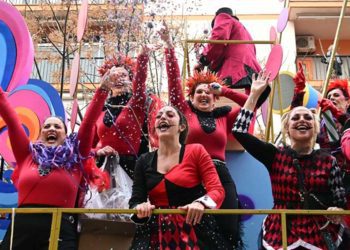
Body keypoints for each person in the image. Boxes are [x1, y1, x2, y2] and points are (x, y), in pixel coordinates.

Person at [232, 71, 347, 249]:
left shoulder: (329, 160)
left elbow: (339, 200)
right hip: (280, 231)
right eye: (295, 117)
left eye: (308, 117)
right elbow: (239, 131)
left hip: (320, 232)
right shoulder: (275, 155)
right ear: (287, 128)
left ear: (316, 128)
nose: (302, 120)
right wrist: (254, 94)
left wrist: (337, 210)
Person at [159, 22, 246, 248]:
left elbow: (250, 106)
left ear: (215, 97)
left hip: (221, 175)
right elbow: (173, 84)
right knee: (193, 232)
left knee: (228, 229)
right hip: (191, 173)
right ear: (191, 97)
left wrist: (224, 90)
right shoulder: (185, 112)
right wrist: (169, 48)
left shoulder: (224, 117)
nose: (204, 95)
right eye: (199, 92)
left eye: (209, 92)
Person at [0, 75, 113, 249]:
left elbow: (88, 124)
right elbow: (12, 120)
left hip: (60, 229)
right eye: (47, 126)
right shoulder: (26, 155)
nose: (51, 129)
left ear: (66, 135)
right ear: (40, 134)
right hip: (22, 230)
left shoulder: (76, 157)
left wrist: (102, 90)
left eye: (57, 127)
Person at [129, 105, 230, 249]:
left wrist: (200, 203)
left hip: (195, 229)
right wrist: (140, 208)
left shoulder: (196, 150)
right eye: (158, 116)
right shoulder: (143, 160)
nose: (162, 117)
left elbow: (217, 190)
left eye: (170, 115)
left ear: (181, 127)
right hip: (154, 234)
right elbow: (135, 201)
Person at [93, 45, 161, 179]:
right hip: (102, 170)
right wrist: (98, 152)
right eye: (113, 76)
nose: (118, 79)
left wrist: (143, 57)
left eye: (123, 75)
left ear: (131, 80)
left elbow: (140, 83)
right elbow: (88, 146)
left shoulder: (135, 104)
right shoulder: (100, 109)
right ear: (107, 81)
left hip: (132, 169)